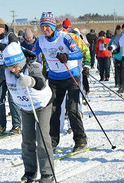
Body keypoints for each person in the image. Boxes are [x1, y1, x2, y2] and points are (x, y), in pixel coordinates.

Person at [0, 42, 55, 182]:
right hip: (25, 107)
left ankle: (47, 173)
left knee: (42, 139)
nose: (13, 70)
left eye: (16, 66)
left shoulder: (32, 67)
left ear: (22, 61)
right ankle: (30, 172)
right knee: (27, 141)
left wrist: (30, 81)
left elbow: (41, 82)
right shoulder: (6, 70)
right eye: (10, 67)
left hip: (41, 105)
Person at [33, 12, 87, 152]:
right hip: (54, 78)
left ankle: (80, 140)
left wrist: (66, 56)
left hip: (71, 76)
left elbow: (79, 53)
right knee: (53, 111)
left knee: (73, 109)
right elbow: (32, 53)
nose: (44, 29)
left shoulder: (65, 37)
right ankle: (52, 141)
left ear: (52, 26)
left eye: (47, 26)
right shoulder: (40, 40)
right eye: (42, 27)